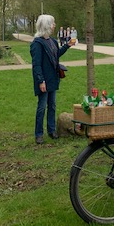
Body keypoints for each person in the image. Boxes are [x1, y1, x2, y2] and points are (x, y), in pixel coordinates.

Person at [30, 14, 76, 144]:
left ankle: (51, 130)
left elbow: (56, 55)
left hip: (53, 78)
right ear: (46, 25)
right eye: (52, 23)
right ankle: (39, 134)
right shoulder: (37, 44)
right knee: (42, 107)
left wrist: (67, 45)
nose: (54, 25)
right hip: (44, 80)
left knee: (52, 106)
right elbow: (36, 65)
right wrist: (41, 81)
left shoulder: (53, 41)